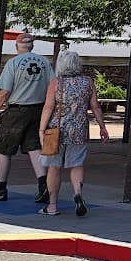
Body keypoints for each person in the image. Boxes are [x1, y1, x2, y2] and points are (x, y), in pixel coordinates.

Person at [35, 50, 110, 217]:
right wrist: (102, 127)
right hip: (80, 129)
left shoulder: (56, 83)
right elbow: (95, 106)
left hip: (55, 130)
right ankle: (77, 193)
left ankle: (52, 205)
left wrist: (41, 129)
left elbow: (48, 107)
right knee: (77, 165)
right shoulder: (88, 82)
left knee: (54, 167)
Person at [0, 33, 54, 203]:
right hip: (38, 110)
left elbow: (5, 91)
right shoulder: (44, 62)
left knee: (4, 149)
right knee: (34, 148)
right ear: (32, 46)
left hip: (16, 111)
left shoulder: (13, 63)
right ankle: (43, 187)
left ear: (17, 46)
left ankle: (0, 189)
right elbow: (54, 86)